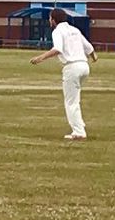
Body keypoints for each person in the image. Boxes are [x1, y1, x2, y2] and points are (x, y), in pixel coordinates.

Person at [28, 8, 96, 140]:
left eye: (49, 18)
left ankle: (79, 131)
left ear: (53, 20)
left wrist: (40, 58)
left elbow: (57, 49)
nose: (49, 20)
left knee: (71, 102)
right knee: (75, 98)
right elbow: (89, 47)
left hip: (72, 67)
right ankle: (79, 124)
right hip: (84, 66)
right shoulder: (74, 30)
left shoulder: (58, 31)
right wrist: (93, 57)